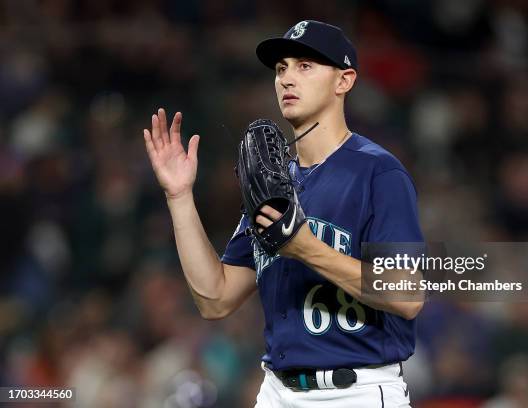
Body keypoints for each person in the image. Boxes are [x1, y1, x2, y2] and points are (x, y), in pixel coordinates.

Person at [143, 20, 423, 408]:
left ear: (344, 81)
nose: (287, 78)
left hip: (357, 390)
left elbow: (407, 293)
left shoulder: (378, 172)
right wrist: (179, 196)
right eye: (281, 68)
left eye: (305, 66)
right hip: (276, 391)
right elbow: (215, 298)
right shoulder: (274, 184)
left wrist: (305, 248)